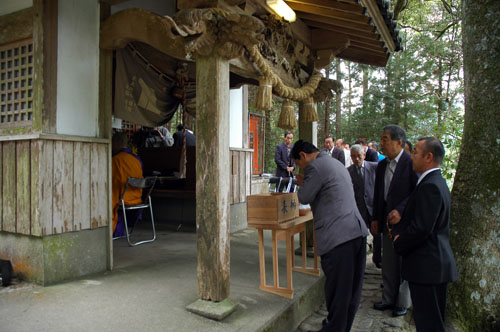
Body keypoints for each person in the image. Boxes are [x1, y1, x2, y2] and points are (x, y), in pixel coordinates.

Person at [292, 140, 369, 332]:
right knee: (351, 291)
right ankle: (342, 328)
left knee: (338, 292)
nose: (300, 169)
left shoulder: (315, 167)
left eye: (299, 164)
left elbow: (304, 197)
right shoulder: (335, 162)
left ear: (303, 155)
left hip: (338, 236)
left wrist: (302, 182)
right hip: (357, 231)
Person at [392, 137, 457, 332]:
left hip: (429, 266)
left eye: (415, 152)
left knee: (429, 324)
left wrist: (399, 240)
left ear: (428, 157)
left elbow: (422, 228)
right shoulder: (431, 181)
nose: (411, 156)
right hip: (430, 266)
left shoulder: (430, 186)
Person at [371, 125, 418, 317]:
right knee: (389, 262)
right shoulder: (383, 164)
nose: (381, 143)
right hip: (386, 222)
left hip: (405, 222)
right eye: (381, 139)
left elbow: (416, 192)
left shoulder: (410, 162)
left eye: (385, 139)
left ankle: (403, 302)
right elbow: (378, 194)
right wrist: (375, 217)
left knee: (404, 262)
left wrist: (400, 210)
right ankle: (388, 298)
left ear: (399, 142)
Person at [347, 144, 380, 267]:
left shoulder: (375, 167)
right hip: (358, 209)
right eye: (354, 157)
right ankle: (359, 262)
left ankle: (377, 260)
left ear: (364, 155)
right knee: (359, 237)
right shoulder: (348, 171)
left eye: (359, 156)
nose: (356, 159)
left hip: (373, 207)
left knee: (377, 236)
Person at [112, 132, 144, 237]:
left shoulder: (116, 160)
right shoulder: (137, 159)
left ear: (116, 143)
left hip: (123, 200)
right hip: (137, 198)